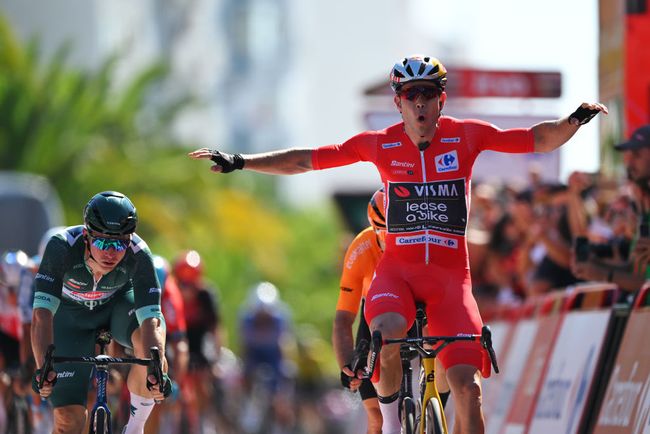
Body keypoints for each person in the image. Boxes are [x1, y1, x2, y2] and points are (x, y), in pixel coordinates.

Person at [188, 54, 607, 433]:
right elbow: (307, 159)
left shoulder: (467, 136)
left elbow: (535, 138)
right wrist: (242, 161)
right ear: (398, 103)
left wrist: (573, 121)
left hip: (450, 282)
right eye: (411, 95)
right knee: (386, 337)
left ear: (442, 101)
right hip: (398, 274)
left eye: (428, 94)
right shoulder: (380, 143)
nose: (419, 103)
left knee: (470, 392)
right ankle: (390, 425)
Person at [31, 191, 171, 434]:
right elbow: (42, 315)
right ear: (86, 235)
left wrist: (155, 371)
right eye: (103, 242)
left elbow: (151, 322)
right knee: (68, 421)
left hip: (117, 307)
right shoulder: (61, 247)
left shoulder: (139, 253)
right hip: (70, 318)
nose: (111, 252)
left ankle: (135, 428)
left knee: (149, 349)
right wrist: (44, 367)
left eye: (120, 243)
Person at [333, 188, 386, 434]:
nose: (389, 239)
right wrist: (347, 363)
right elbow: (344, 319)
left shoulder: (421, 239)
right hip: (374, 310)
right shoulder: (360, 249)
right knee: (376, 417)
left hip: (417, 306)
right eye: (382, 232)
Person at [572, 125, 650, 291]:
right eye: (628, 156)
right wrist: (596, 268)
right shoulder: (641, 213)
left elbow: (643, 282)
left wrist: (605, 274)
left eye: (636, 155)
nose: (628, 162)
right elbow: (637, 273)